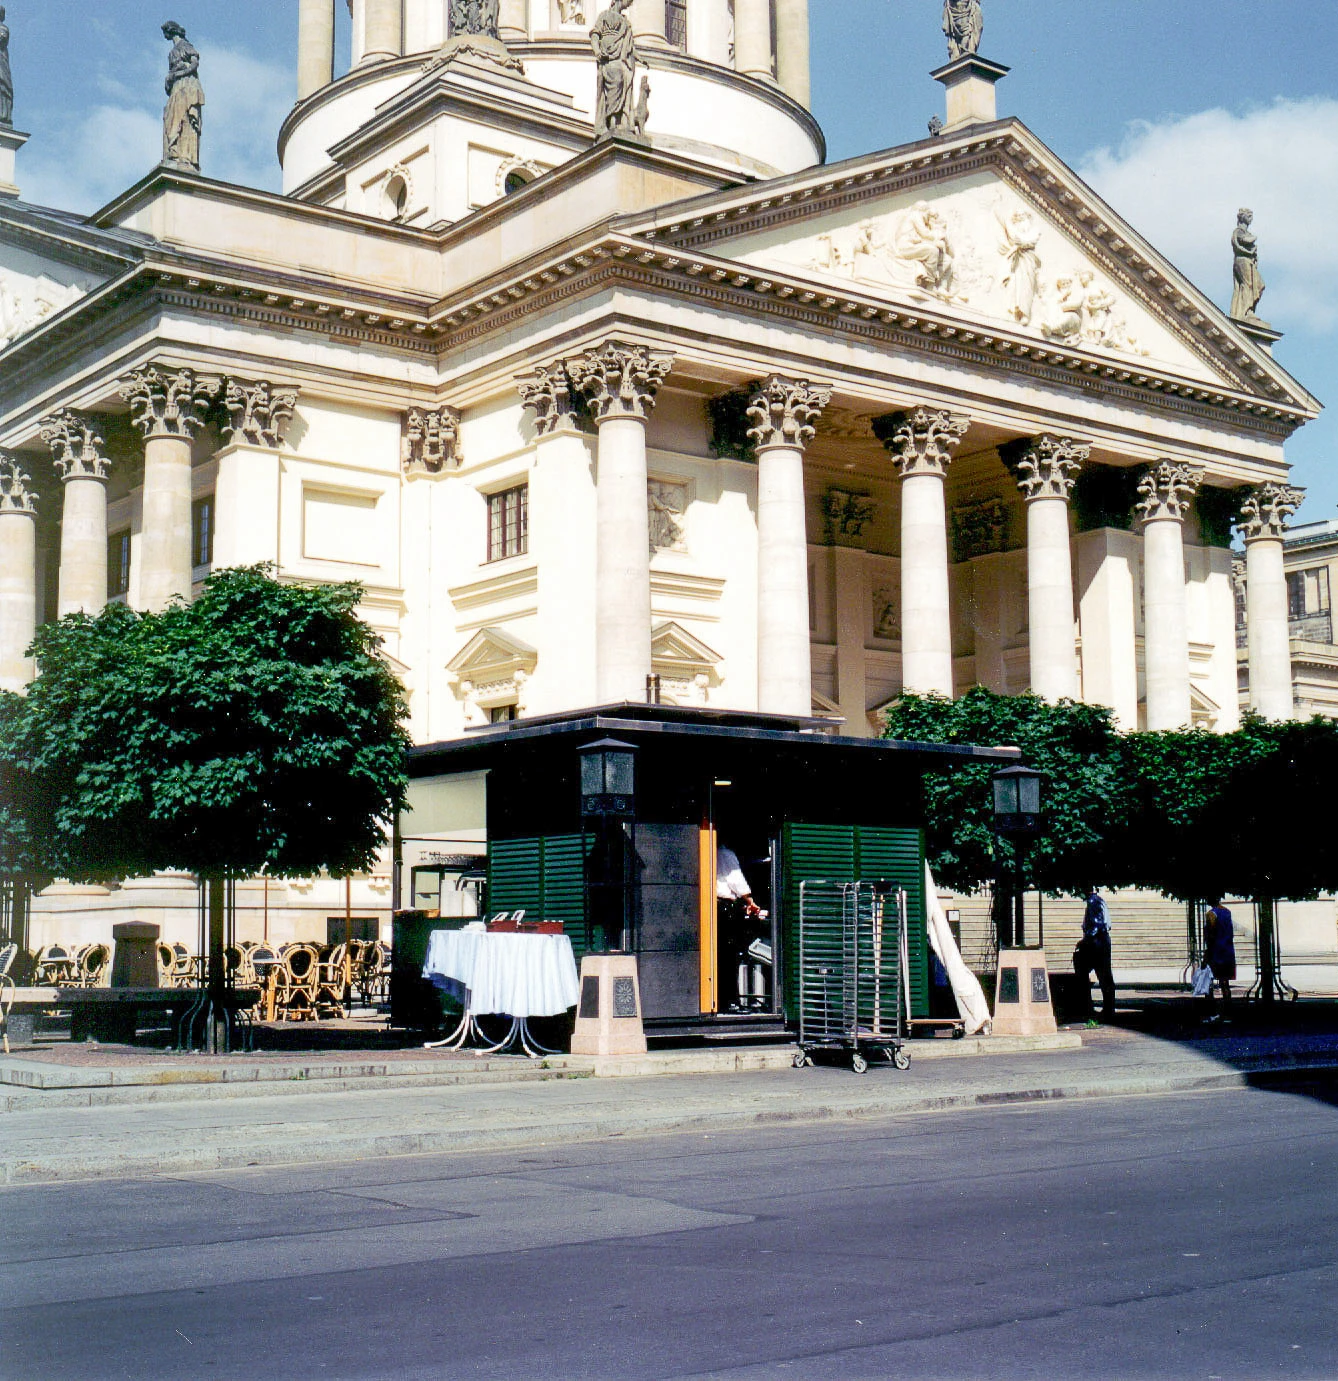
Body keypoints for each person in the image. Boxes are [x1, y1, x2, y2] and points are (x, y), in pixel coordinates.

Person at [717, 843, 765, 1013]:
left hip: (715, 907)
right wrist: (750, 901)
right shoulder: (725, 853)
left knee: (721, 956)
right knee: (729, 956)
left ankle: (725, 1000)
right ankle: (730, 1002)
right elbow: (736, 880)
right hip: (723, 907)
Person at [161, 22, 204, 171]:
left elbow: (194, 64)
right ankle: (174, 153)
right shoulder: (172, 52)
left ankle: (185, 156)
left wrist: (177, 73)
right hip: (177, 87)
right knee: (171, 118)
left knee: (184, 118)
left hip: (187, 86)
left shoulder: (184, 45)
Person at [1073, 886, 1115, 1023]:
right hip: (1101, 940)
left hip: (1097, 941)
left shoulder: (1093, 902)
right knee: (1105, 975)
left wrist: (1084, 941)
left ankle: (1090, 1007)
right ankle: (1107, 1008)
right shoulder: (1099, 901)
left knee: (1088, 971)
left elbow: (1096, 925)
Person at [1202, 897, 1236, 1023]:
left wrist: (1207, 955)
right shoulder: (1227, 912)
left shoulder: (1211, 914)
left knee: (1209, 984)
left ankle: (1211, 1013)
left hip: (1215, 952)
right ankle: (1227, 1014)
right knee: (1225, 984)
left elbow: (1210, 936)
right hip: (1228, 951)